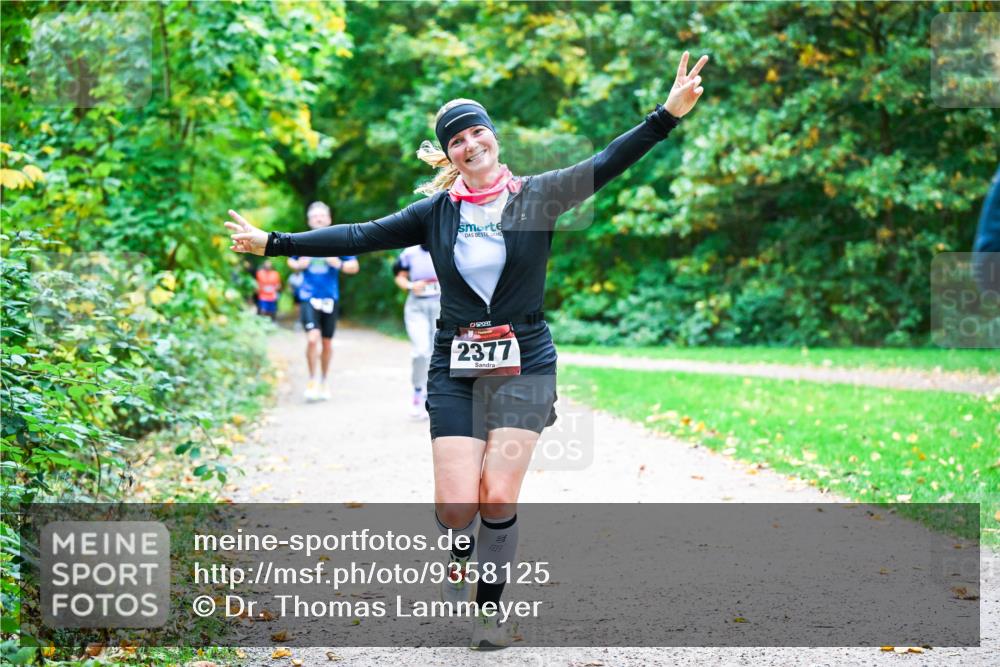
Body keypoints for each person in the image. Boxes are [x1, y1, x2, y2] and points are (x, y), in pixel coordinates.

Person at [226, 51, 708, 649]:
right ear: (449, 155)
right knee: (458, 506)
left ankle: (490, 612)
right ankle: (457, 543)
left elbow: (608, 162)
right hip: (456, 364)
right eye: (457, 139)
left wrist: (667, 114)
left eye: (477, 131)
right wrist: (273, 242)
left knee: (498, 494)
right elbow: (357, 235)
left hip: (526, 358)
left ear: (494, 138)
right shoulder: (434, 214)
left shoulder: (540, 196)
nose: (470, 143)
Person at [287, 202, 360, 402]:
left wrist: (338, 263)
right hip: (308, 297)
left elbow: (354, 266)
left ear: (328, 219)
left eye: (322, 216)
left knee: (326, 343)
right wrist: (298, 265)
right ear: (309, 221)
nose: (319, 219)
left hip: (330, 297)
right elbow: (290, 261)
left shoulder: (337, 241)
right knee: (312, 338)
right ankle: (311, 380)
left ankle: (324, 380)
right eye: (315, 216)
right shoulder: (302, 240)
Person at [393, 244, 442, 419]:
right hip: (417, 307)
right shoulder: (409, 253)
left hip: (441, 306)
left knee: (437, 352)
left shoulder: (446, 246)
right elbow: (400, 277)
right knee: (421, 351)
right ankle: (418, 391)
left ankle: (433, 394)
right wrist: (411, 285)